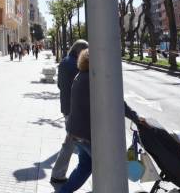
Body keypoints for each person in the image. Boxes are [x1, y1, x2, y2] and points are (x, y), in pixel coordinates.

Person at [57, 49, 141, 193]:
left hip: (76, 132)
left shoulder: (81, 75)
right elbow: (116, 101)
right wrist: (136, 118)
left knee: (85, 167)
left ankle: (63, 191)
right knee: (110, 168)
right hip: (86, 135)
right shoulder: (93, 79)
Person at [50, 39, 88, 185]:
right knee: (72, 143)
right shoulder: (76, 65)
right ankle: (58, 174)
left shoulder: (65, 62)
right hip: (75, 110)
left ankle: (58, 174)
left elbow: (60, 85)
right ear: (80, 51)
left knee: (71, 142)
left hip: (66, 107)